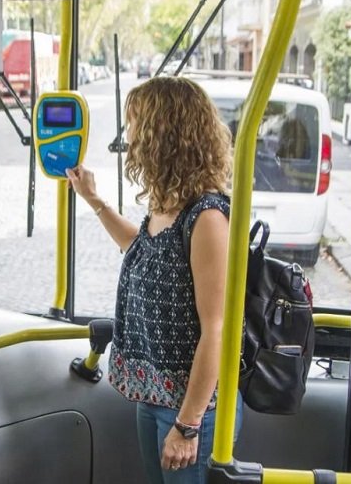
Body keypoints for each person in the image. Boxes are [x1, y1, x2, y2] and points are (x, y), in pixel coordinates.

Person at [66, 77, 240, 484]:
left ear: (164, 135)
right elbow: (141, 246)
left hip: (194, 409)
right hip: (155, 396)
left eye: (135, 126)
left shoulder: (208, 217)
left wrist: (188, 424)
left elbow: (217, 330)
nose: (130, 139)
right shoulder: (168, 204)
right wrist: (93, 200)